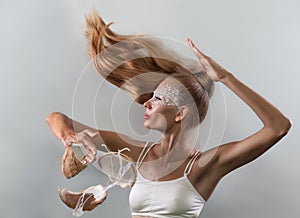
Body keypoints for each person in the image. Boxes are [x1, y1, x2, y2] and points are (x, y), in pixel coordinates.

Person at [46, 9, 292, 218]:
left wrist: (226, 77)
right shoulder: (138, 152)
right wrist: (70, 137)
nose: (147, 104)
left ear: (180, 114)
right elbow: (56, 119)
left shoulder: (205, 166)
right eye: (151, 96)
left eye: (158, 99)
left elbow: (278, 127)